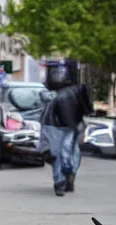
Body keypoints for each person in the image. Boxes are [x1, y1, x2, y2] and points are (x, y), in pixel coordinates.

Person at [38, 59, 94, 196]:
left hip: (64, 124)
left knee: (63, 152)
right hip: (61, 124)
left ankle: (65, 178)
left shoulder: (69, 92)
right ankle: (63, 179)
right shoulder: (69, 92)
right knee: (62, 152)